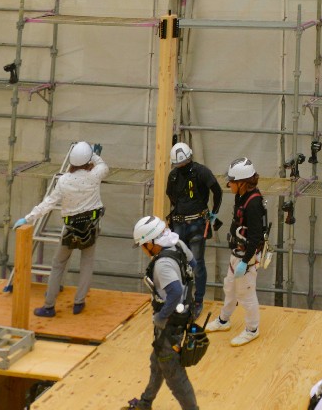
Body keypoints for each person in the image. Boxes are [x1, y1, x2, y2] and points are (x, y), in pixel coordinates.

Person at [13, 141, 107, 317]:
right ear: (88, 161)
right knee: (87, 263)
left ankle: (49, 306)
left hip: (71, 229)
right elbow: (103, 165)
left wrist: (28, 218)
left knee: (58, 265)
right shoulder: (95, 175)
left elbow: (48, 204)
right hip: (91, 226)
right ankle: (79, 302)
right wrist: (94, 154)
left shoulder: (64, 181)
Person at [125, 215, 199, 410]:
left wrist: (161, 316)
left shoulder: (162, 264)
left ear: (151, 243)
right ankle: (145, 402)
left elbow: (174, 291)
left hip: (169, 323)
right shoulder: (178, 244)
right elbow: (193, 266)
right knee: (157, 361)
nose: (143, 250)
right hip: (182, 316)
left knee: (174, 376)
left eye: (142, 245)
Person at [205, 156, 266, 347]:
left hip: (245, 259)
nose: (228, 184)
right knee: (229, 288)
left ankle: (252, 329)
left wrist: (245, 262)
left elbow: (256, 237)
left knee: (246, 295)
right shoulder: (241, 196)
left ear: (242, 182)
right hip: (237, 253)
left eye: (231, 181)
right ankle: (224, 320)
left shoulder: (254, 204)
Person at [165, 141, 223, 317]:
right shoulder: (175, 175)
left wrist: (213, 213)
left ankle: (197, 301)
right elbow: (171, 195)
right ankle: (185, 300)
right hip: (182, 223)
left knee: (196, 264)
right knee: (182, 264)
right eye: (179, 164)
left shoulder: (200, 172)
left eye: (183, 164)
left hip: (196, 223)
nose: (181, 167)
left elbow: (217, 191)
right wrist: (212, 212)